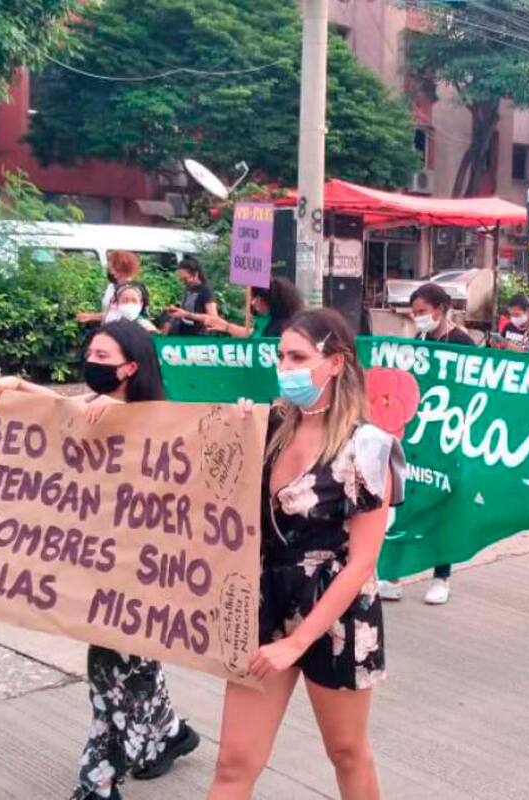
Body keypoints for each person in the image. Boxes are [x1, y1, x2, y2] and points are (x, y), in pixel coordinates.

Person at [0, 320, 200, 800]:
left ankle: (97, 782)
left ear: (130, 367)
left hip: (143, 576)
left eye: (104, 358)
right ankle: (168, 734)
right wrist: (14, 385)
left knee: (113, 677)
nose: (93, 364)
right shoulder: (89, 407)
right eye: (92, 355)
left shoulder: (161, 420)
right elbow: (52, 408)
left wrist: (123, 420)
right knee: (124, 667)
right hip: (98, 571)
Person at [209, 309, 404, 799]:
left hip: (337, 619)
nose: (285, 367)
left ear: (335, 362)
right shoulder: (266, 427)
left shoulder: (369, 447)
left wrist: (298, 643)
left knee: (346, 752)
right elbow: (175, 443)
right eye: (280, 356)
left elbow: (363, 561)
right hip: (266, 605)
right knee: (234, 762)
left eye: (298, 356)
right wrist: (97, 406)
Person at [379, 283, 469, 605]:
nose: (417, 318)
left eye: (422, 312)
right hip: (418, 436)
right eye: (414, 313)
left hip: (447, 436)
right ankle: (392, 575)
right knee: (406, 502)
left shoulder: (462, 342)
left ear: (441, 309)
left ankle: (441, 577)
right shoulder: (417, 340)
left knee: (441, 506)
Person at [206, 276, 304, 338]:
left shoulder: (283, 328)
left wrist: (226, 327)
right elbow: (253, 332)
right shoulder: (265, 321)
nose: (253, 303)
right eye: (253, 298)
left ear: (272, 300)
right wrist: (226, 327)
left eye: (257, 298)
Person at [78, 251, 142, 327]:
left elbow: (127, 315)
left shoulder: (130, 290)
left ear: (119, 266)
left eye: (111, 263)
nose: (108, 266)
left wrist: (91, 316)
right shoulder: (113, 286)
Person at [166, 256, 217, 336]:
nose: (184, 282)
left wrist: (185, 314)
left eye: (186, 279)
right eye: (181, 279)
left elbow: (213, 317)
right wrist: (176, 310)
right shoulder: (188, 288)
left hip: (199, 335)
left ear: (196, 274)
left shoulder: (205, 290)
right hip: (185, 331)